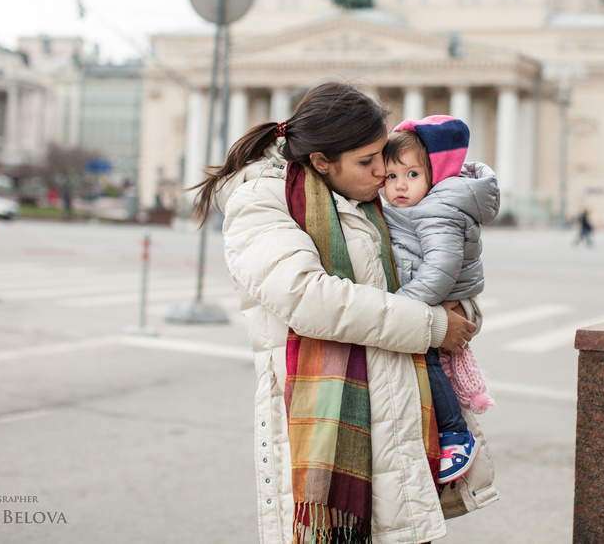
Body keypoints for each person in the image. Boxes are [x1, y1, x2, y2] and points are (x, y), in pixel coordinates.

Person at [191, 83, 497, 544]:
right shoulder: (262, 202)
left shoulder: (374, 197)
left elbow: (448, 271)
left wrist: (459, 310)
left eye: (383, 155)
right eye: (366, 161)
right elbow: (310, 300)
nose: (383, 172)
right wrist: (434, 326)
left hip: (404, 423)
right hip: (331, 425)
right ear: (320, 161)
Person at [381, 116, 499, 486]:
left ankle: (453, 433)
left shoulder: (438, 210)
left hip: (437, 297)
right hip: (432, 298)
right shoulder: (419, 204)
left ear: (436, 174)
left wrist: (405, 306)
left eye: (412, 175)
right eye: (390, 176)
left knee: (427, 360)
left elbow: (441, 267)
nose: (400, 185)